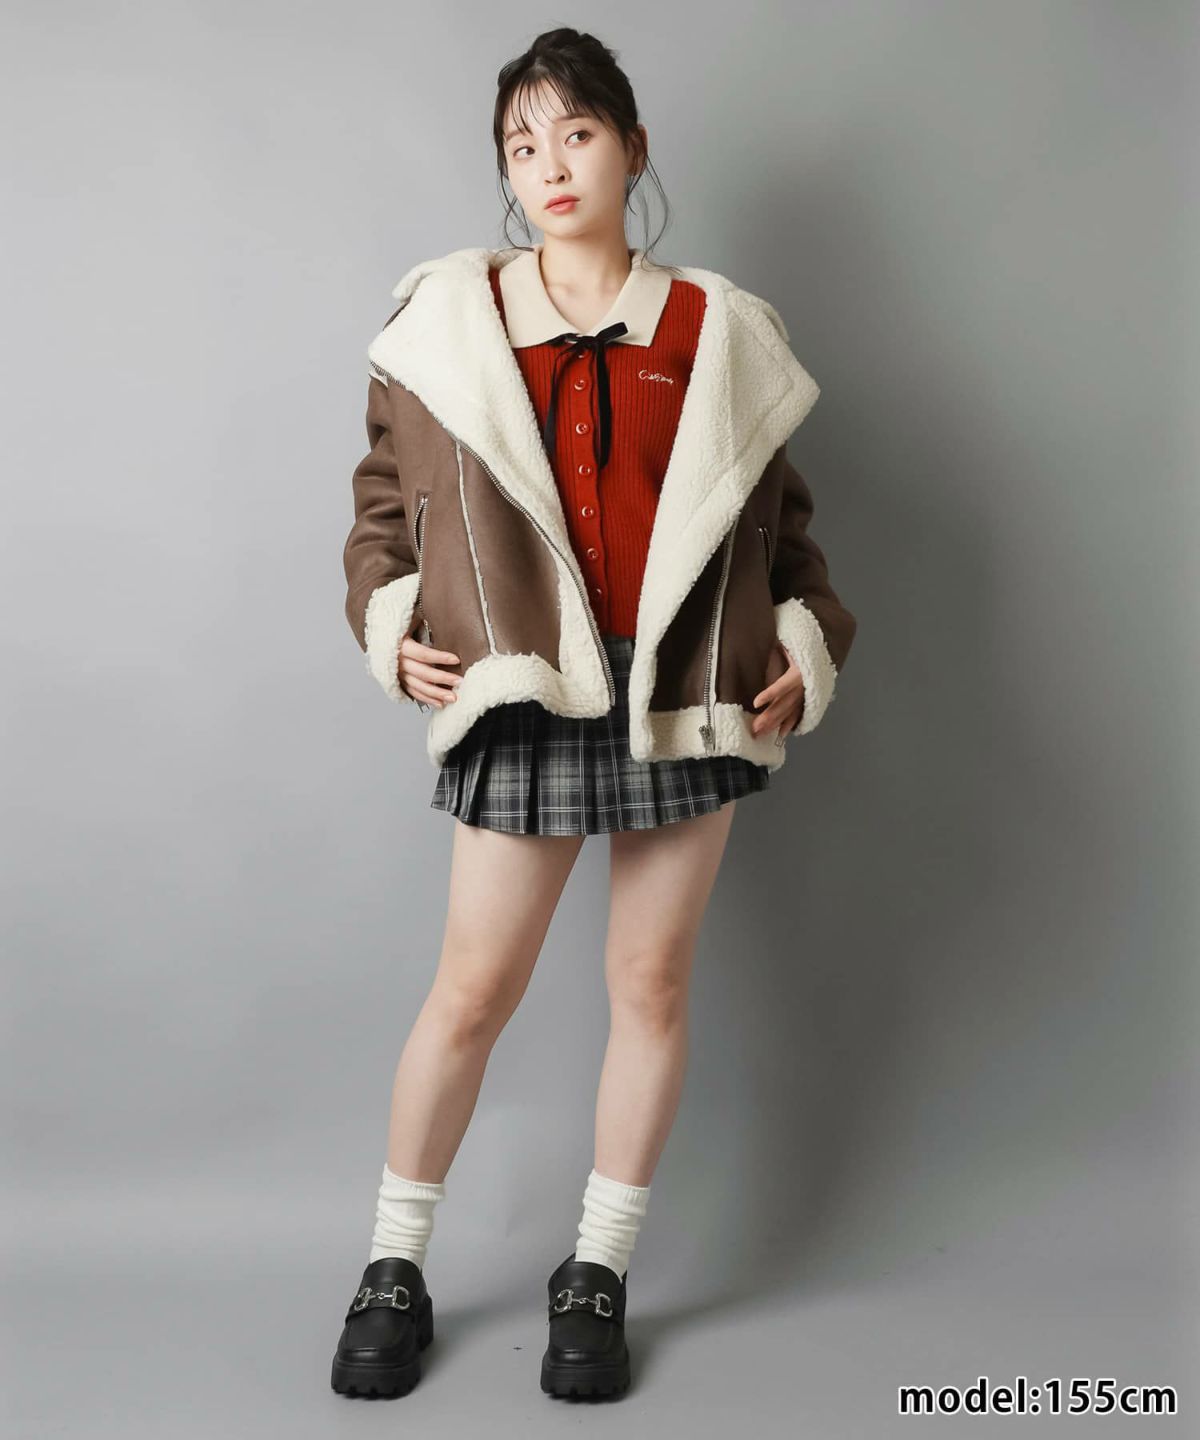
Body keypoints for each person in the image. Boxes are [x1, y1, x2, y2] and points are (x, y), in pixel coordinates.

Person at [330, 26, 858, 1402]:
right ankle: (393, 1266)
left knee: (652, 986)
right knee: (471, 992)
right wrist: (395, 624)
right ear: (506, 172)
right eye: (524, 144)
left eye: (576, 133)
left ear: (631, 147)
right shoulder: (447, 327)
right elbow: (382, 517)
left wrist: (804, 645)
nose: (551, 165)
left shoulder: (717, 332)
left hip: (681, 689)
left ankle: (597, 1274)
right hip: (526, 684)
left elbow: (785, 541)